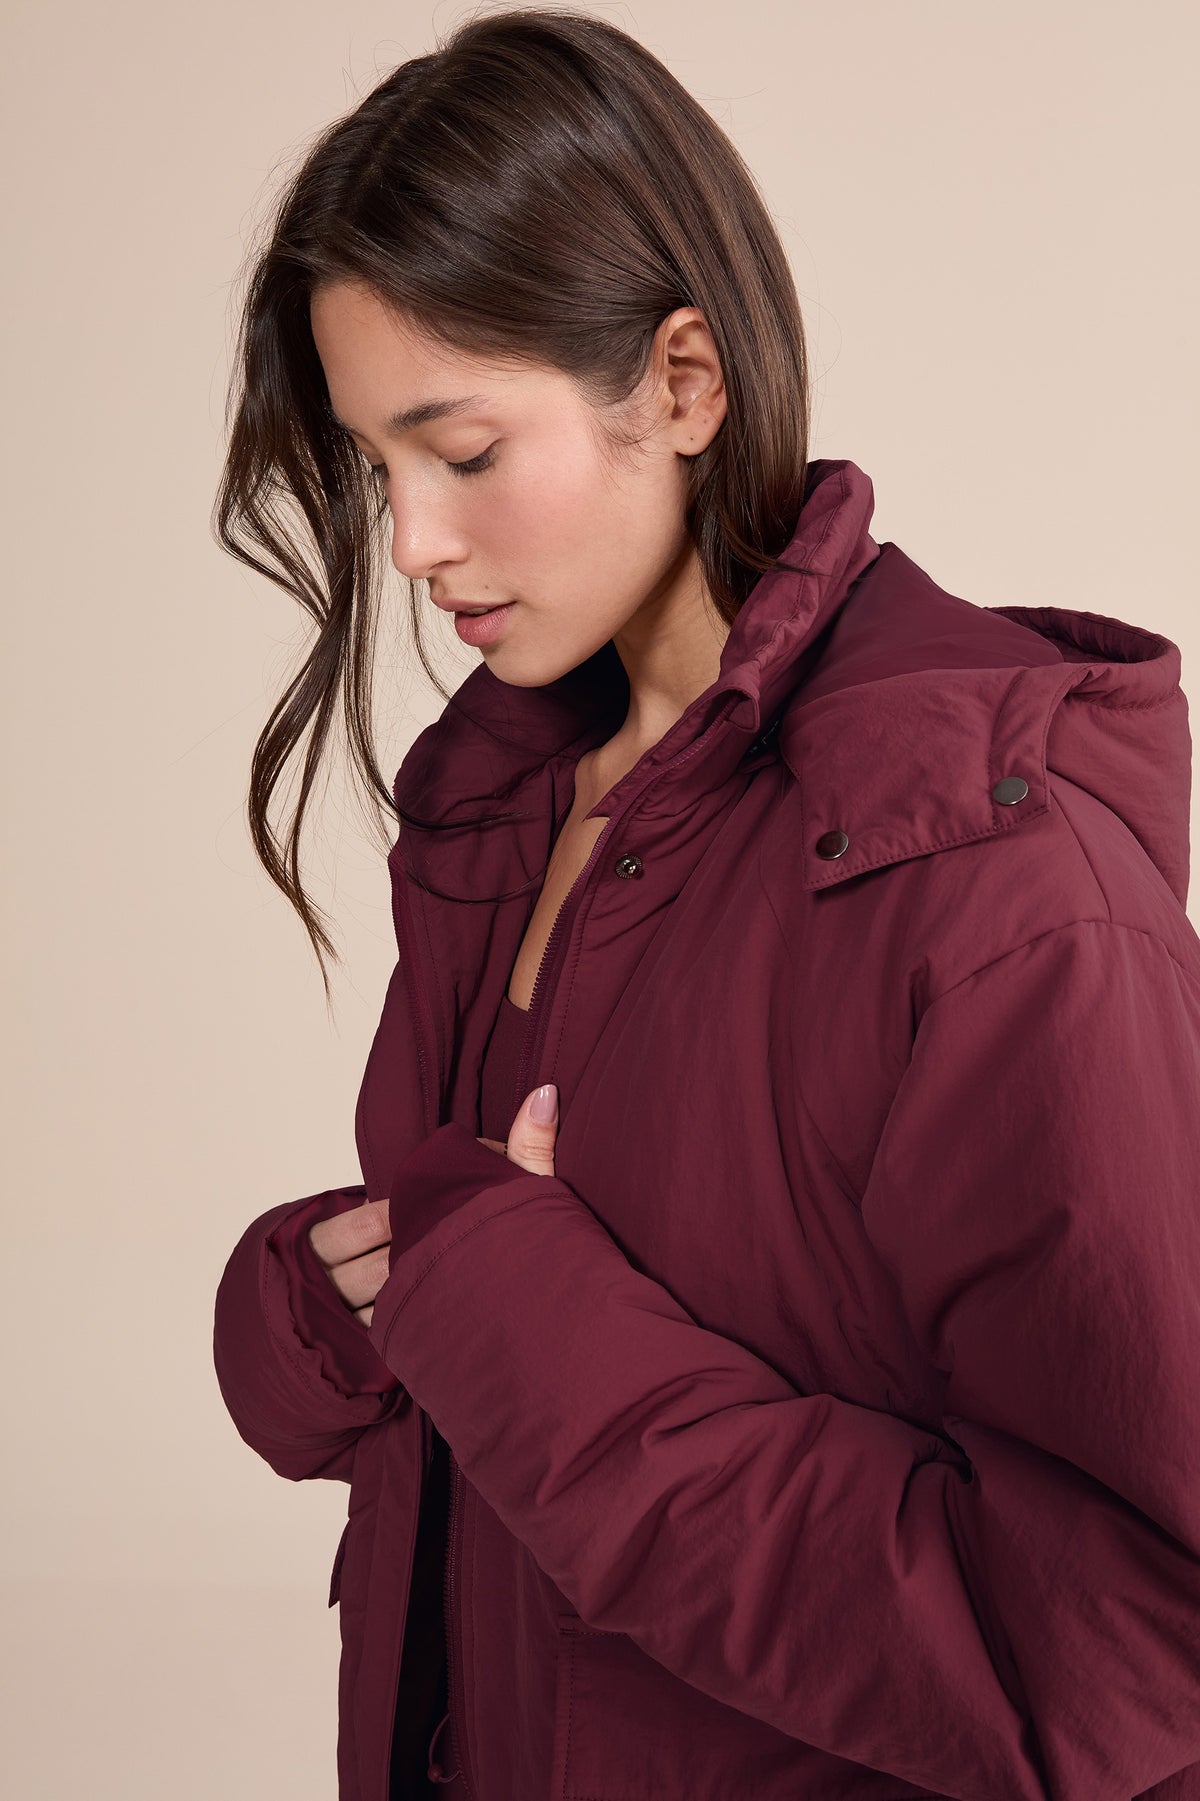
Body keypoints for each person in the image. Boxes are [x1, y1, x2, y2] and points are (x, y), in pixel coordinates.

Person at [211, 10, 1200, 1800]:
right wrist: (312, 1313)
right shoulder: (508, 811)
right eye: (374, 468)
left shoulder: (995, 890)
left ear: (681, 383)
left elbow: (1129, 1647)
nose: (412, 542)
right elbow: (500, 1349)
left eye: (462, 449)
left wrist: (515, 1319)